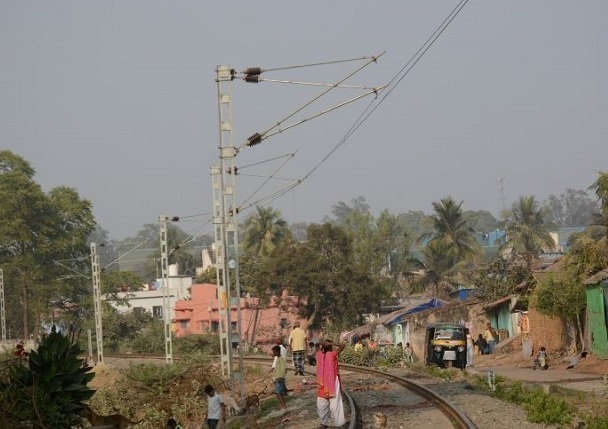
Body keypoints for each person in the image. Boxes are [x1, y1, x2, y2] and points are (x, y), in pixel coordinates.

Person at [316, 339, 346, 428]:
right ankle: (323, 423)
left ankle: (339, 424)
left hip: (332, 382)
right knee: (321, 404)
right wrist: (322, 343)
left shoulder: (332, 354)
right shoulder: (319, 354)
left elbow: (342, 345)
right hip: (322, 383)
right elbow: (316, 345)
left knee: (335, 404)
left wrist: (331, 342)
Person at [272, 345, 287, 409]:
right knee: (280, 393)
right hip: (278, 378)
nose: (273, 353)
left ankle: (283, 405)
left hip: (280, 378)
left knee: (277, 392)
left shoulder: (281, 359)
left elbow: (283, 369)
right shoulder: (278, 359)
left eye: (274, 352)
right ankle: (283, 405)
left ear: (277, 352)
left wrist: (280, 377)